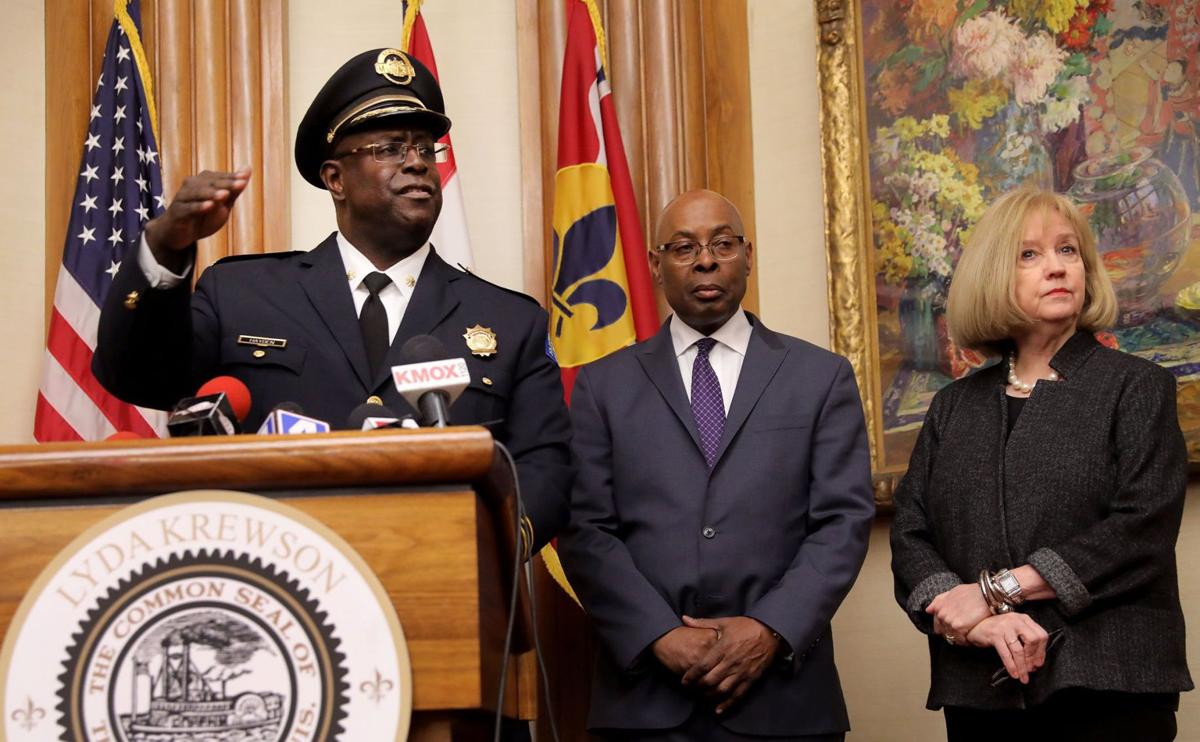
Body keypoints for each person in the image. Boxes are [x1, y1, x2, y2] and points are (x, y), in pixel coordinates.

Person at [92, 48, 573, 553]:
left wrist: (483, 542)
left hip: (437, 574)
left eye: (425, 149)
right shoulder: (242, 294)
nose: (416, 162)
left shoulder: (509, 321)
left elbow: (546, 466)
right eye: (390, 148)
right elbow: (137, 376)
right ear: (335, 179)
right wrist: (166, 245)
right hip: (276, 573)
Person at [558, 189, 875, 740]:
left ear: (747, 256)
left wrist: (769, 628)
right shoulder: (603, 385)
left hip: (785, 700)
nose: (705, 260)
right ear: (655, 265)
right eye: (684, 247)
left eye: (722, 244)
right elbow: (585, 531)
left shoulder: (819, 378)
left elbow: (843, 523)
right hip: (647, 703)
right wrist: (659, 634)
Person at [890, 187, 1192, 741]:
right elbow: (910, 533)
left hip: (1108, 687)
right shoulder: (953, 406)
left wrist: (995, 590)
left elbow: (1141, 530)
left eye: (1067, 250)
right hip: (981, 691)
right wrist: (978, 623)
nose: (1056, 267)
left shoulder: (1136, 386)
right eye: (1029, 255)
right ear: (992, 275)